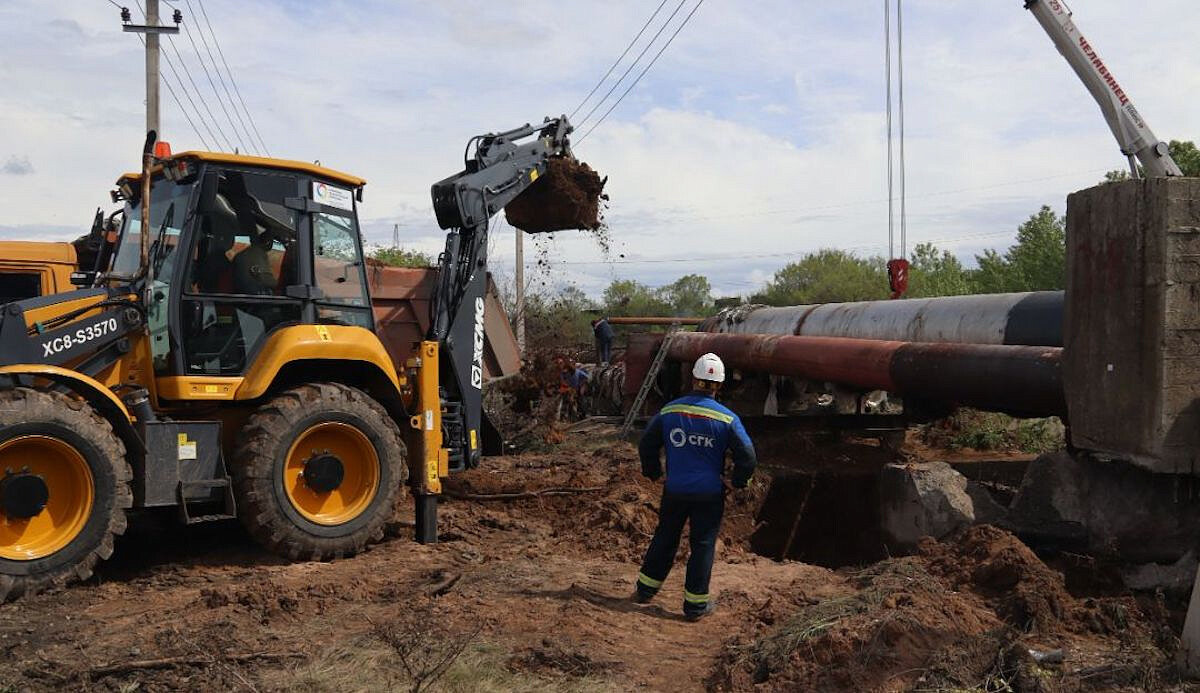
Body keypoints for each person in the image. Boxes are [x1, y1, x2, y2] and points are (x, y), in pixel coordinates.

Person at [632, 352, 756, 621]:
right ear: (720, 384)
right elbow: (747, 455)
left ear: (693, 379)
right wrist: (737, 482)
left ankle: (644, 590)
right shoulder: (727, 419)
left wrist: (654, 473)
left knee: (665, 537)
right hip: (709, 494)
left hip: (675, 490)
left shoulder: (669, 411)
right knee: (702, 545)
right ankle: (695, 606)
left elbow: (646, 445)